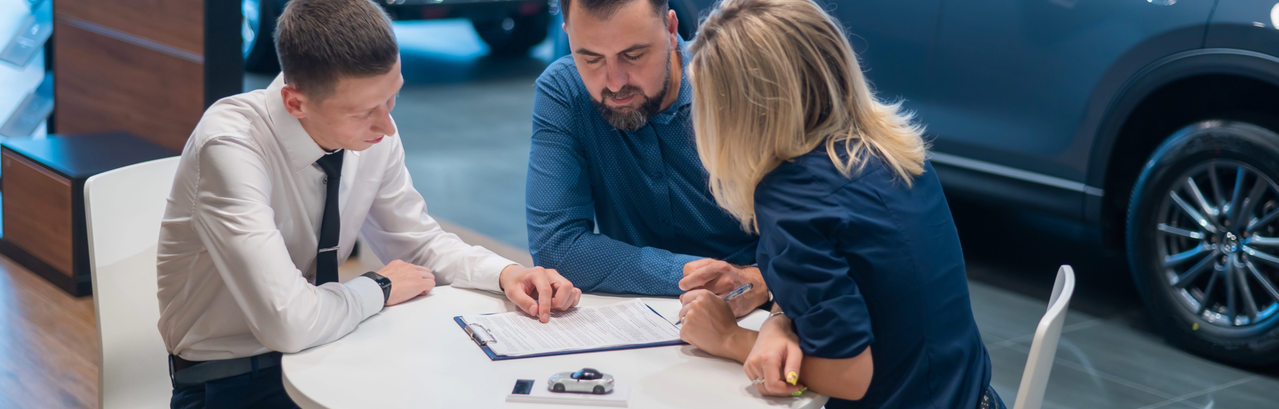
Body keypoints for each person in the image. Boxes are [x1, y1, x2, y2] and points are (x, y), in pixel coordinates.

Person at [156, 1, 581, 407]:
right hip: (231, 380)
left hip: (337, 347)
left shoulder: (371, 134)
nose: (388, 126)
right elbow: (289, 322)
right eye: (363, 112)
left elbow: (417, 244)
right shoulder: (230, 145)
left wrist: (507, 273)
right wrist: (379, 286)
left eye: (392, 97)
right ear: (295, 103)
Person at [675, 0, 1002, 407]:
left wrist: (731, 338)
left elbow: (849, 375)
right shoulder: (892, 150)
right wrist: (779, 322)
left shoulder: (790, 197)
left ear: (737, 112)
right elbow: (833, 292)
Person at [526, 0, 769, 315]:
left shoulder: (739, 87)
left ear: (670, 29)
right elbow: (557, 248)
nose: (615, 82)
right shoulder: (564, 91)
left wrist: (754, 279)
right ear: (568, 36)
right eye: (591, 59)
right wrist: (693, 275)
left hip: (761, 311)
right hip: (640, 320)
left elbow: (812, 239)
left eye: (634, 55)